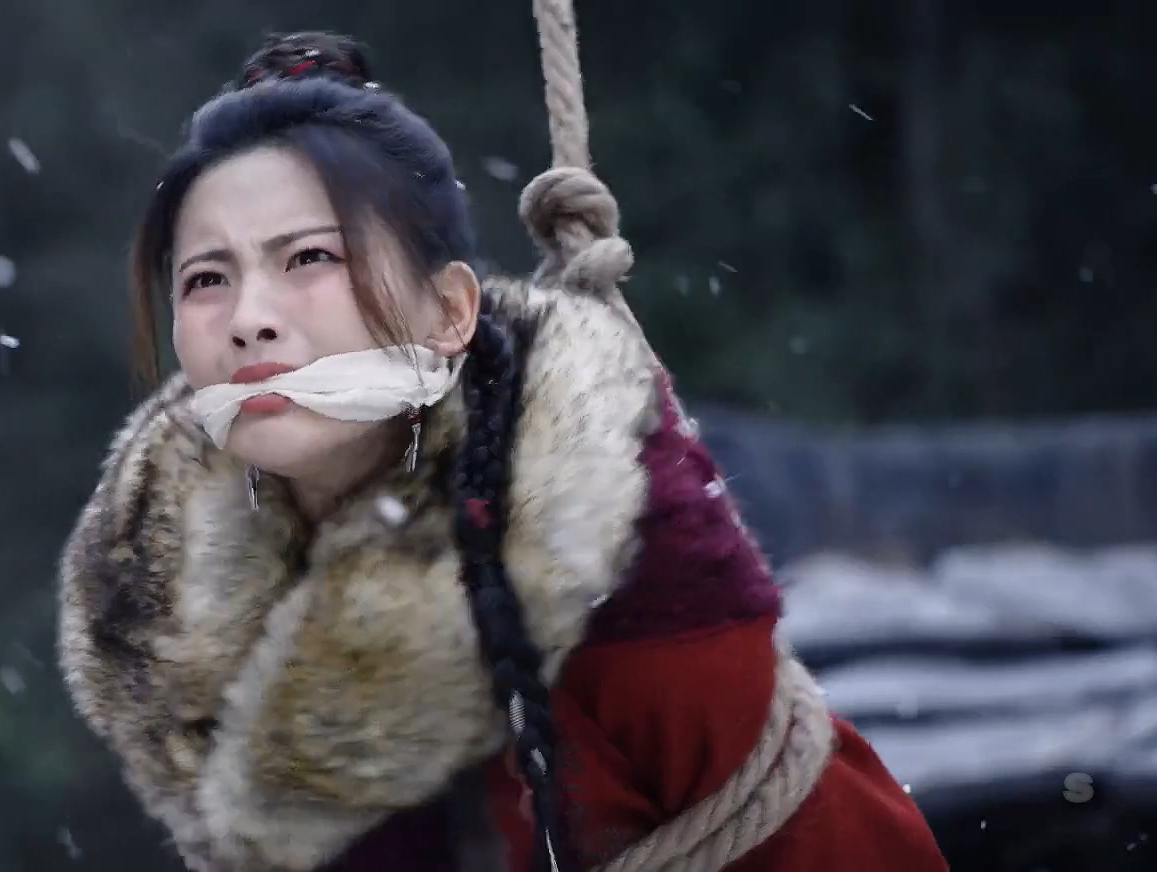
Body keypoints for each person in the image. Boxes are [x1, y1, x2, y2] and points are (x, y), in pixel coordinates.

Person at [56, 31, 948, 872]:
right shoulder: (164, 605)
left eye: (310, 259)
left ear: (450, 311)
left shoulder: (616, 555)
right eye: (207, 278)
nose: (248, 319)